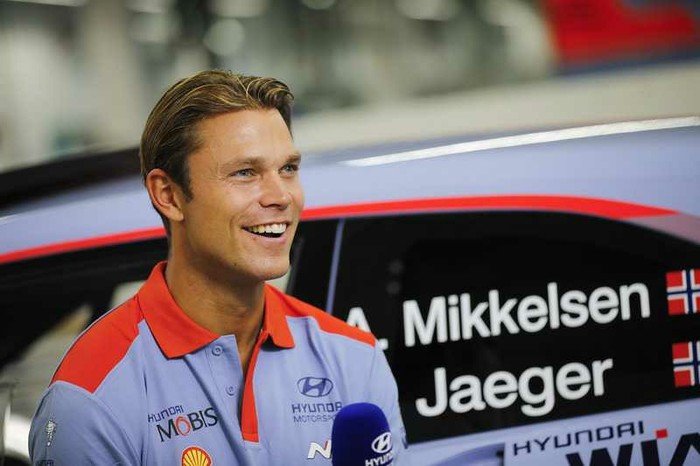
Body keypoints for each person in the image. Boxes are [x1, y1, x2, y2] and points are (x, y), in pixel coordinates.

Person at [29, 70, 407, 465]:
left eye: (288, 169)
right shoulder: (91, 397)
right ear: (168, 194)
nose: (281, 196)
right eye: (245, 173)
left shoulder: (353, 357)